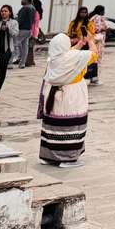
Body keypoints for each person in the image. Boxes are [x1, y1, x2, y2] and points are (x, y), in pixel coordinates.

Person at [39, 33, 95, 167]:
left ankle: (50, 156)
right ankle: (67, 158)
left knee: (53, 125)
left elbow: (68, 53)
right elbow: (94, 54)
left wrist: (80, 44)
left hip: (53, 96)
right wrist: (91, 41)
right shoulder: (73, 57)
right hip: (71, 96)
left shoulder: (52, 59)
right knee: (71, 125)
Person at [67, 7, 96, 86]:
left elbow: (92, 34)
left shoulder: (89, 23)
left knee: (86, 60)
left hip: (85, 44)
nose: (83, 14)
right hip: (76, 44)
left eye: (85, 12)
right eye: (81, 12)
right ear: (78, 13)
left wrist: (86, 35)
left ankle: (87, 76)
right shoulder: (73, 23)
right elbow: (69, 33)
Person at [88, 5, 108, 85]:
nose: (104, 12)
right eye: (103, 10)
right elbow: (97, 29)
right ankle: (94, 78)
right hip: (98, 41)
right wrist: (105, 29)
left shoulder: (92, 17)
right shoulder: (98, 18)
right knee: (97, 58)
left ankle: (91, 76)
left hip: (93, 41)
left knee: (93, 58)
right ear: (100, 11)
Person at [14, 0, 36, 68]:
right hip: (28, 30)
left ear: (26, 0)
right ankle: (22, 63)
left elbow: (20, 20)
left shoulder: (25, 8)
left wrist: (15, 26)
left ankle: (10, 61)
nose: (21, 1)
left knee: (14, 44)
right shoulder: (33, 8)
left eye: (22, 0)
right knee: (24, 46)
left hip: (22, 29)